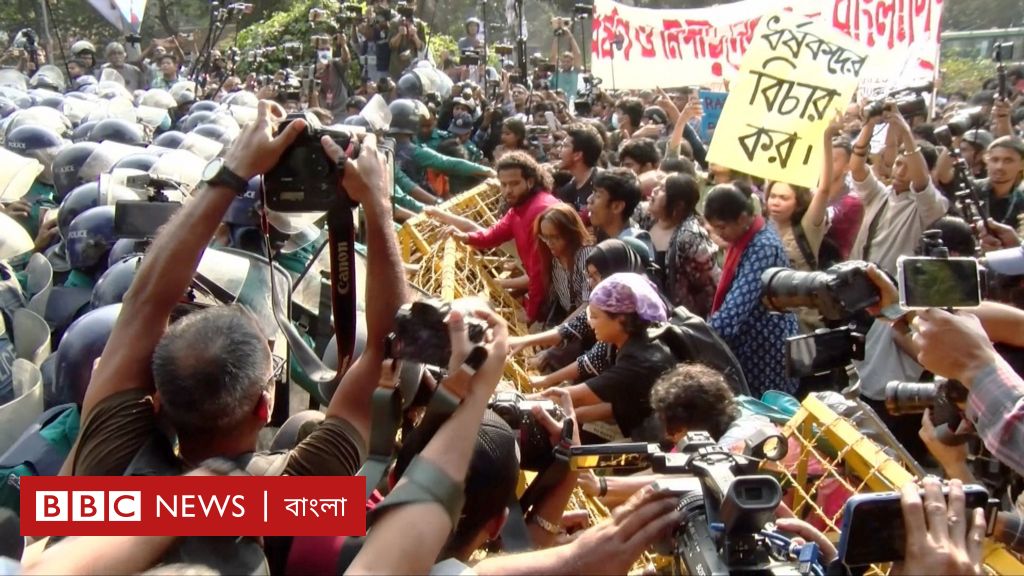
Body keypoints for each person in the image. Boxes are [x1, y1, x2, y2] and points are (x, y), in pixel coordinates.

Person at [63, 103, 406, 495]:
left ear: (155, 400)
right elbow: (387, 345)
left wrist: (232, 170)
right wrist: (377, 203)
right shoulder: (300, 492)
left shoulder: (104, 465)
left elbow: (144, 299)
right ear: (265, 406)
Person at [580, 363, 778, 505]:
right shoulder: (709, 424)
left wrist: (602, 486)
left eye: (674, 430)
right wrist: (600, 492)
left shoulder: (736, 442)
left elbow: (681, 479)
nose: (668, 436)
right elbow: (666, 468)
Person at [427, 152, 560, 324]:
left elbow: (539, 269)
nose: (507, 190)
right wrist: (466, 237)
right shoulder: (521, 207)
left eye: (514, 184)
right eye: (503, 184)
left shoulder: (536, 211)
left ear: (531, 181)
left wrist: (531, 312)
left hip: (560, 292)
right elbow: (494, 233)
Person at [705, 183, 798, 397]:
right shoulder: (745, 237)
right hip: (748, 345)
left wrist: (700, 338)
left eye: (722, 227)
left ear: (742, 218)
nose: (719, 234)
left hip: (764, 351)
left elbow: (733, 312)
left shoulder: (763, 247)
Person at [560, 272, 675, 441]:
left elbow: (574, 397)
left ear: (620, 319)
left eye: (595, 317)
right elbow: (617, 405)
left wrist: (524, 399)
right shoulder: (635, 342)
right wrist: (577, 416)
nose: (590, 323)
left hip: (659, 443)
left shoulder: (639, 361)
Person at [848, 104, 948, 276]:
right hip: (860, 283)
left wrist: (905, 132)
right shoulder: (880, 194)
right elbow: (857, 168)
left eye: (909, 167)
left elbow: (921, 182)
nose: (900, 172)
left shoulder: (929, 205)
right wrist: (869, 125)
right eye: (899, 164)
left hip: (896, 293)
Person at [647, 174, 720, 318]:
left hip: (678, 321)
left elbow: (710, 288)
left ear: (678, 205)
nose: (654, 191)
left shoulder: (691, 237)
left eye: (662, 189)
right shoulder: (645, 220)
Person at [535, 204, 594, 325]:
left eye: (555, 237)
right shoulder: (553, 259)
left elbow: (589, 303)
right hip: (568, 321)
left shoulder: (585, 256)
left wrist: (561, 331)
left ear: (570, 233)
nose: (549, 243)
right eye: (545, 237)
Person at [588, 168, 654, 259]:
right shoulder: (602, 234)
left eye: (598, 195)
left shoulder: (633, 248)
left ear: (617, 207)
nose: (589, 200)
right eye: (593, 192)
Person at [824, 137, 864, 260]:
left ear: (847, 167)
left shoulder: (853, 202)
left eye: (833, 160)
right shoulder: (810, 193)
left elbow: (824, 221)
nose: (826, 164)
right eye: (825, 159)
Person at [556, 124, 603, 222]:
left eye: (565, 146)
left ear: (577, 155)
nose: (558, 151)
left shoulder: (602, 182)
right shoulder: (567, 188)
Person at [977, 136, 1024, 228]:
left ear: (1022, 165)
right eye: (994, 160)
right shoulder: (971, 189)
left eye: (1008, 161)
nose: (999, 167)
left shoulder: (1021, 197)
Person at [314, 33, 351, 121]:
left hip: (341, 111)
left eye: (327, 49)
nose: (324, 52)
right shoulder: (313, 69)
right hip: (322, 112)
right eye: (322, 49)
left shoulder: (336, 64)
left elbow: (346, 59)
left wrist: (343, 44)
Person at [549, 26, 582, 101]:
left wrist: (570, 36)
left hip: (572, 103)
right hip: (558, 102)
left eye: (568, 61)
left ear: (572, 62)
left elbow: (577, 55)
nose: (566, 63)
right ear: (560, 62)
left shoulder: (575, 72)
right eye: (563, 61)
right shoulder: (556, 73)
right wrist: (557, 37)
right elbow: (553, 56)